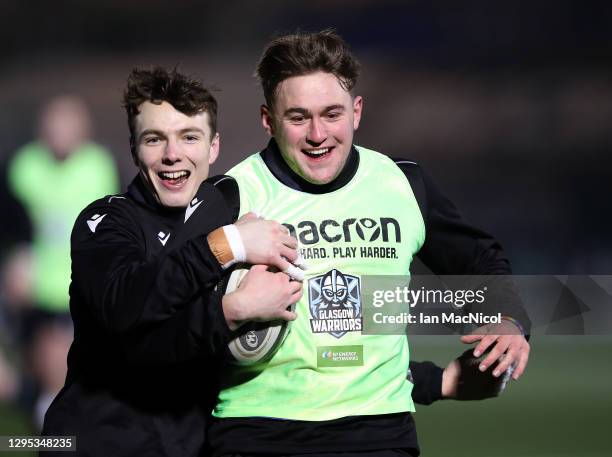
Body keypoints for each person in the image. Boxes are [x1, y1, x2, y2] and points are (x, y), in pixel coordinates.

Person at [207, 30, 531, 457]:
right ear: (268, 119)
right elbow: (174, 319)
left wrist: (509, 319)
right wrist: (229, 309)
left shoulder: (403, 185)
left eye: (332, 114)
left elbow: (482, 259)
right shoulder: (231, 195)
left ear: (356, 112)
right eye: (298, 117)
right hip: (255, 432)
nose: (318, 133)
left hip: (379, 434)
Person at [41, 67, 304, 456]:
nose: (171, 155)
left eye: (189, 137)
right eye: (154, 139)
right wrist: (228, 270)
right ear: (134, 149)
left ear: (213, 147)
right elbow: (126, 308)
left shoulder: (237, 223)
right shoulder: (107, 222)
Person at [4, 95, 119, 428]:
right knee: (41, 372)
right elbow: (12, 225)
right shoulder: (24, 166)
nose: (59, 131)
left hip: (81, 289)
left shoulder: (101, 165)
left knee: (67, 369)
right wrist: (16, 258)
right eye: (53, 123)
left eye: (68, 123)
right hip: (37, 289)